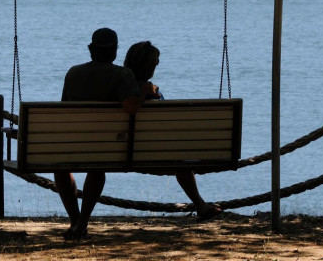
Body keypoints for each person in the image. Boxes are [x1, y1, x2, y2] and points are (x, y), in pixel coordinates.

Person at [55, 28, 150, 240]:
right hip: (106, 147)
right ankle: (83, 222)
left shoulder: (73, 73)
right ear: (115, 52)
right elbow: (131, 107)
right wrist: (144, 90)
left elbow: (64, 109)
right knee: (97, 165)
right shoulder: (122, 74)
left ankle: (75, 221)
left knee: (60, 168)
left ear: (91, 50)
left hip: (72, 144)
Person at [123, 40, 223, 222]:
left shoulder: (119, 93)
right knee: (180, 159)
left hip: (116, 153)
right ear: (151, 66)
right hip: (158, 153)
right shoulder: (153, 94)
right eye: (156, 61)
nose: (159, 63)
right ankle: (200, 205)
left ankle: (80, 218)